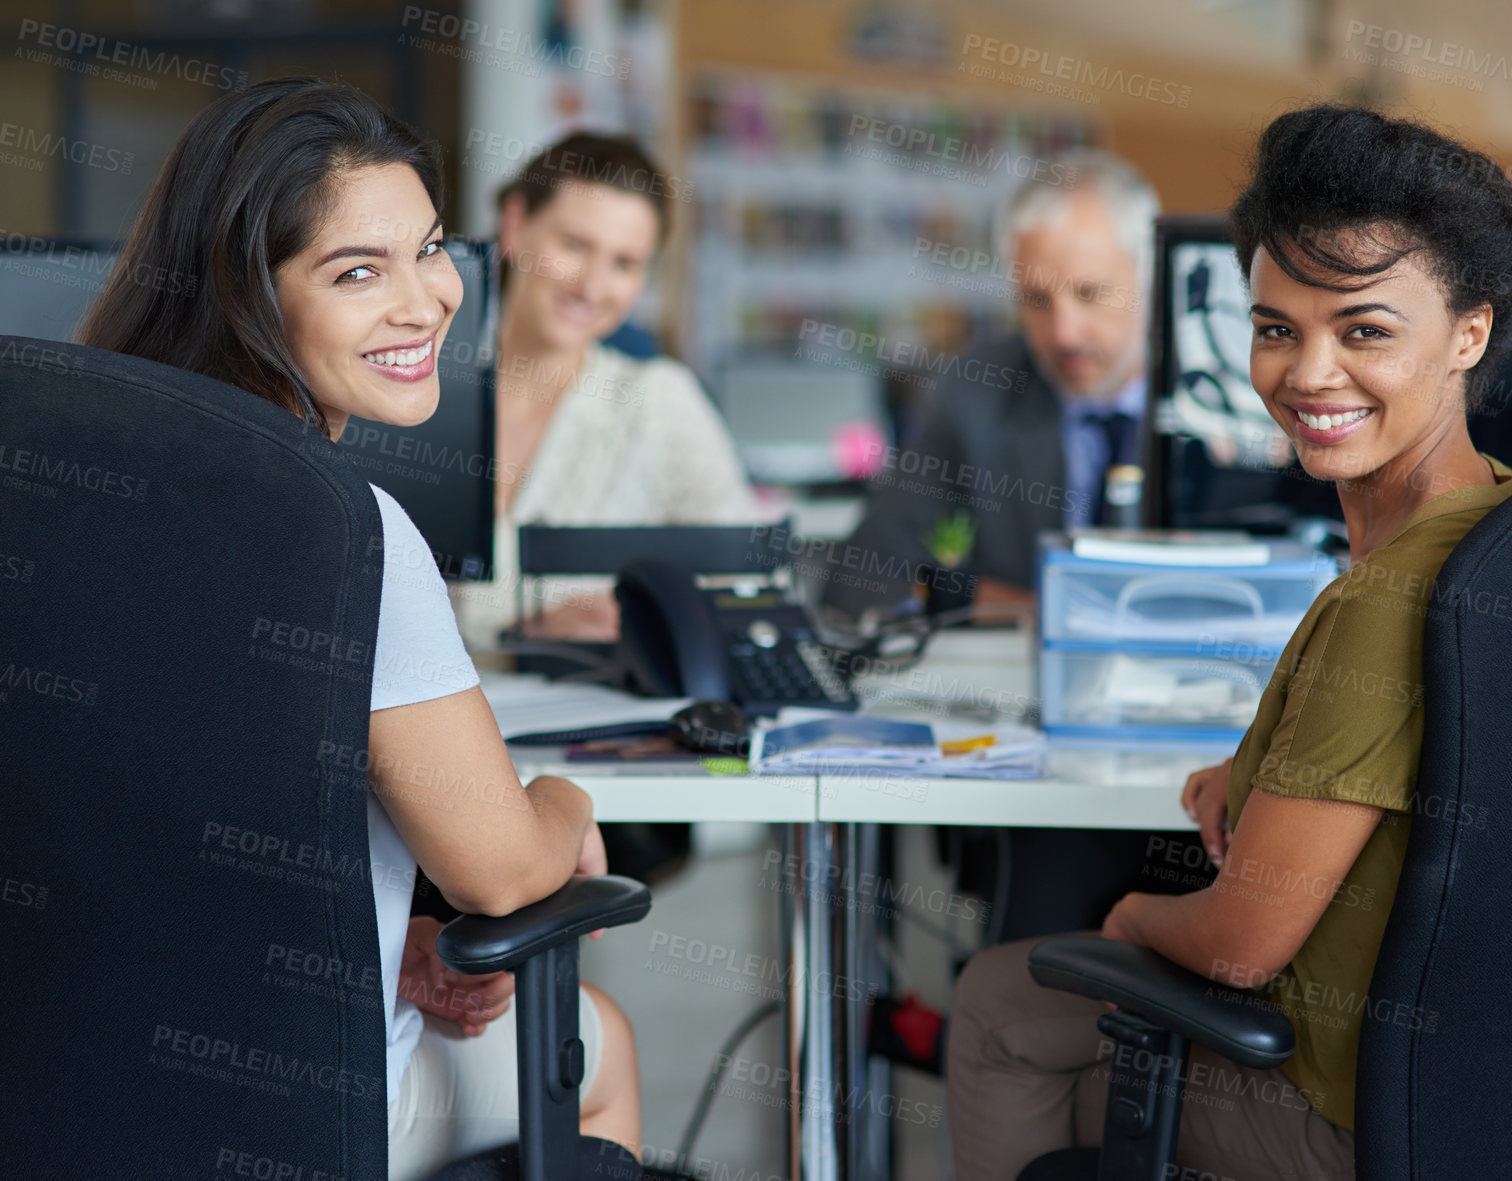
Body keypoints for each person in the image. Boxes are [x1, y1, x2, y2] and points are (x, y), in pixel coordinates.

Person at [945, 103, 1512, 1181]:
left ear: (1469, 333)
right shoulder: (1491, 521)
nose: (1307, 374)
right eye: (1277, 329)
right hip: (1453, 1073)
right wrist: (1261, 767)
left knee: (998, 1002)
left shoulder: (1388, 592)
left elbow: (1238, 943)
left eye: (1364, 329)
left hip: (1345, 1112)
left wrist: (1131, 913)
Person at [78, 78, 642, 1179]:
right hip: (301, 1111)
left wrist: (394, 950)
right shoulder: (350, 534)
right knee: (601, 1044)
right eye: (356, 272)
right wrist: (568, 803)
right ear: (249, 295)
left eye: (430, 249)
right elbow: (502, 874)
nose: (428, 301)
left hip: (76, 1080)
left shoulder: (81, 490)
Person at [449, 132, 760, 652]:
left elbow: (755, 579)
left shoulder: (659, 401)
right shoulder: (413, 381)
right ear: (514, 225)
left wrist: (645, 615)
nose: (593, 288)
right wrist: (522, 628)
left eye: (624, 264)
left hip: (583, 720)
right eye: (574, 246)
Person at [821, 147, 1161, 620]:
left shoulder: (1226, 396)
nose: (1063, 332)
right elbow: (862, 577)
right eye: (1036, 300)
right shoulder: (976, 390)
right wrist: (1048, 617)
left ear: (1149, 277)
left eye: (1090, 293)